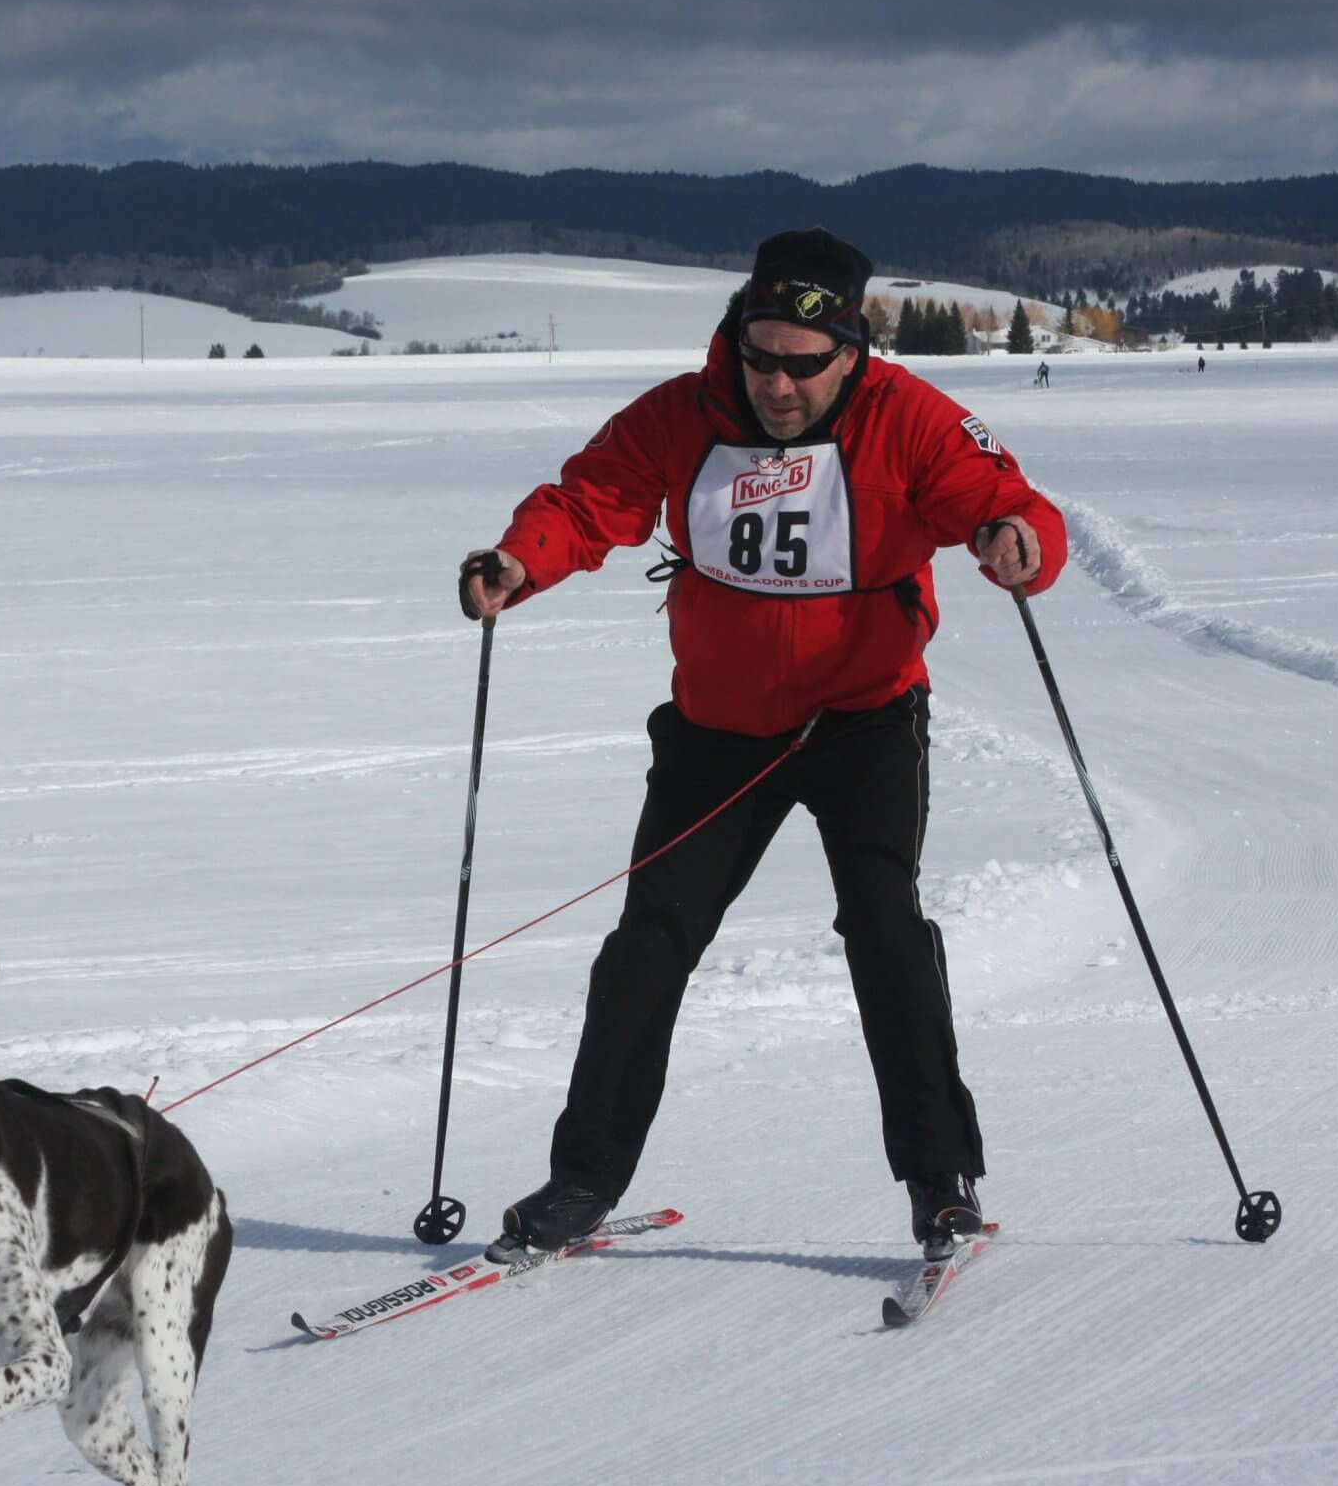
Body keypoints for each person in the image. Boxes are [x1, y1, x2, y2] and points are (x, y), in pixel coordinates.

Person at [457, 226, 1068, 1265]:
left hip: (862, 720)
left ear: (850, 353)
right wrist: (520, 560)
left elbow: (1003, 503)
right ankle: (582, 1180)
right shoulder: (679, 412)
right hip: (719, 732)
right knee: (649, 941)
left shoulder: (909, 420)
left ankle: (941, 1184)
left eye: (802, 365)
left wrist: (1018, 545)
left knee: (883, 927)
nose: (776, 386)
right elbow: (588, 499)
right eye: (758, 357)